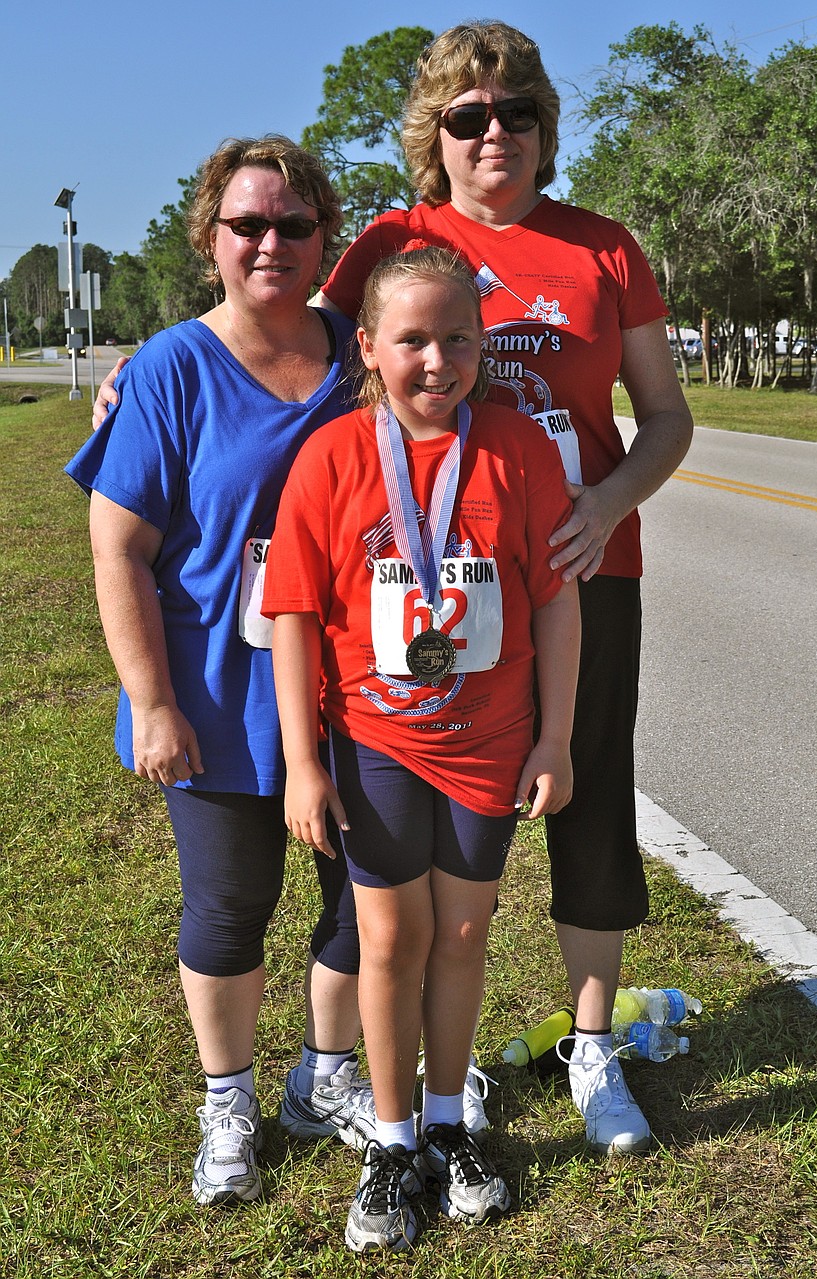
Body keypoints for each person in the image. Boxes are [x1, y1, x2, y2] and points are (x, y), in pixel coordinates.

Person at [316, 20, 694, 1156]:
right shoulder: (394, 238)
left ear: (543, 129)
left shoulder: (602, 249)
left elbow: (667, 416)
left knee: (584, 801)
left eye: (516, 113)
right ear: (435, 134)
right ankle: (423, 1066)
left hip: (578, 574)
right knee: (407, 819)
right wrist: (141, 369)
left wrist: (609, 499)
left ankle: (591, 1046)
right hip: (414, 588)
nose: (495, 135)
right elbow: (296, 356)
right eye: (468, 117)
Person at [65, 135, 384, 1208]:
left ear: (325, 240)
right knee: (228, 905)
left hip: (359, 689)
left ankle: (324, 1079)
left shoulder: (365, 356)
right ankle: (229, 1102)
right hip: (213, 691)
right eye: (247, 224)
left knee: (364, 895)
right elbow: (120, 546)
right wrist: (152, 701)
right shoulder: (167, 369)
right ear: (209, 239)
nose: (271, 243)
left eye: (295, 225)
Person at [261, 246, 581, 1252]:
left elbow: (555, 602)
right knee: (390, 941)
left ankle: (451, 1121)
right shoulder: (334, 457)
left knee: (460, 937)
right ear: (367, 348)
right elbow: (294, 616)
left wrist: (556, 736)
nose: (436, 360)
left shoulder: (517, 449)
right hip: (378, 744)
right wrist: (305, 761)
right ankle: (391, 1141)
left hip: (487, 747)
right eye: (411, 340)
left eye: (457, 339)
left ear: (482, 346)